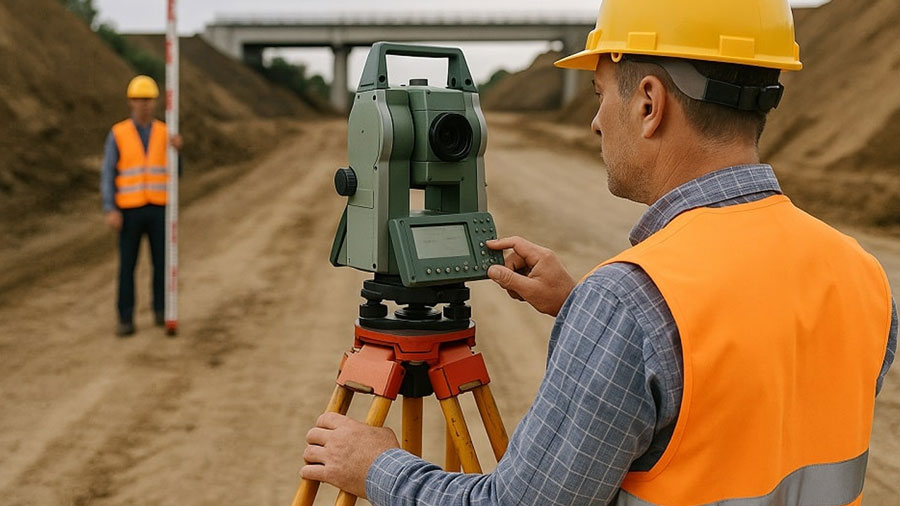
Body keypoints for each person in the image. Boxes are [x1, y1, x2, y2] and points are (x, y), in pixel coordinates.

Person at [299, 1, 898, 504]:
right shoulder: (858, 272)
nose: (593, 122)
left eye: (599, 94)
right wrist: (585, 306)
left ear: (648, 103)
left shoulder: (630, 304)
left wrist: (377, 467)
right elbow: (746, 385)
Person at [100, 75, 182, 337]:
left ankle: (161, 310)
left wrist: (178, 151)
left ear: (155, 103)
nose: (143, 104)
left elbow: (177, 173)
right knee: (127, 267)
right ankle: (125, 318)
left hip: (159, 209)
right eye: (138, 99)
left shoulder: (166, 133)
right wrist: (110, 208)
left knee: (161, 263)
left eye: (147, 100)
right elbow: (108, 173)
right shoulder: (118, 133)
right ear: (130, 102)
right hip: (129, 210)